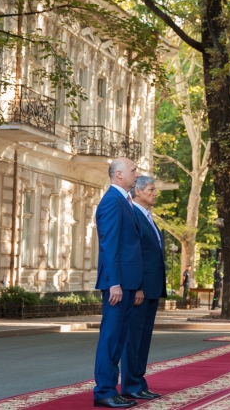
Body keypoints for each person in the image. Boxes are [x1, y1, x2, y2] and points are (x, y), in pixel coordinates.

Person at [93, 158, 143, 409]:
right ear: (119, 174)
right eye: (134, 170)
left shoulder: (125, 200)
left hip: (127, 282)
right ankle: (103, 391)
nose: (138, 174)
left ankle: (111, 389)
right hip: (117, 284)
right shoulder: (112, 201)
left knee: (119, 339)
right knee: (110, 338)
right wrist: (114, 283)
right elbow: (109, 244)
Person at [120, 176, 165, 401]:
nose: (155, 193)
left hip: (152, 287)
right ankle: (130, 385)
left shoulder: (148, 217)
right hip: (140, 289)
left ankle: (139, 383)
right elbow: (134, 254)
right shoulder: (134, 215)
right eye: (151, 189)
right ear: (138, 192)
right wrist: (136, 286)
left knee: (143, 339)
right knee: (133, 338)